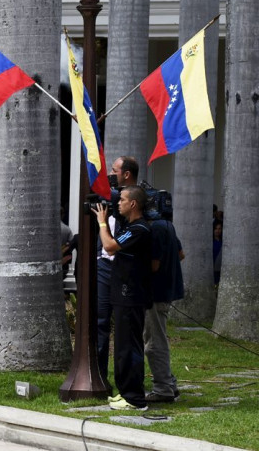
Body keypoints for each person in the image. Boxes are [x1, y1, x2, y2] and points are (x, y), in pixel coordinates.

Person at [94, 185, 151, 410]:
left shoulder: (139, 229)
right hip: (123, 295)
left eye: (123, 200)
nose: (118, 203)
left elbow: (108, 246)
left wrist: (101, 220)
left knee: (129, 347)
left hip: (132, 296)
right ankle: (125, 392)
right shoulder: (131, 227)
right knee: (121, 347)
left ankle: (135, 398)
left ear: (133, 204)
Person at [97, 156, 140, 385]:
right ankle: (100, 377)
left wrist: (104, 222)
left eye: (114, 171)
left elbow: (112, 246)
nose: (110, 175)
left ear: (126, 174)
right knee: (100, 321)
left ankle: (128, 383)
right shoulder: (110, 200)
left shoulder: (135, 203)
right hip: (104, 267)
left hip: (124, 270)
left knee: (125, 327)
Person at [145, 216, 184, 403]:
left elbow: (153, 264)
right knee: (155, 339)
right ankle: (169, 383)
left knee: (154, 342)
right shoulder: (167, 225)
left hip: (156, 294)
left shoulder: (156, 229)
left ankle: (163, 388)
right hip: (165, 291)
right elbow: (181, 254)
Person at [213, 220, 223, 285]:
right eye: (216, 229)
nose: (217, 231)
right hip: (212, 268)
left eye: (219, 229)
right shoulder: (210, 242)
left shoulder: (223, 242)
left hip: (220, 269)